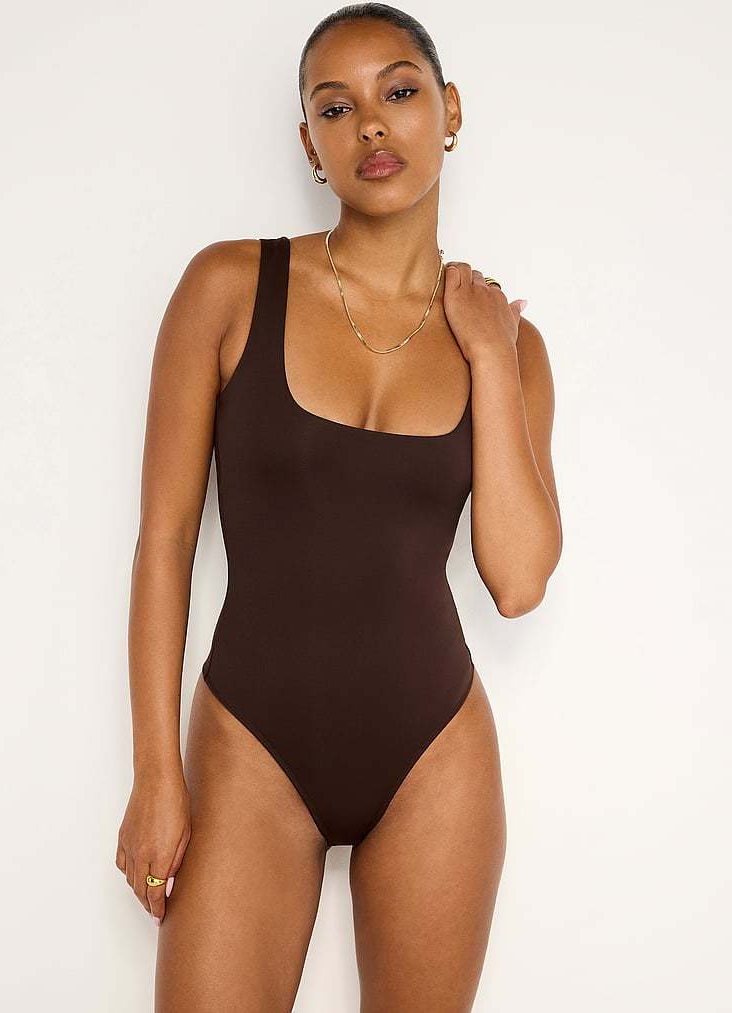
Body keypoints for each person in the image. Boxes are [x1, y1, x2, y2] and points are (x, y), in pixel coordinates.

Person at [116, 4, 562, 1009]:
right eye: (334, 106)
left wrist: (491, 355)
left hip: (435, 753)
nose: (370, 124)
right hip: (249, 743)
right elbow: (165, 540)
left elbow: (519, 578)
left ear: (449, 111)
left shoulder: (510, 347)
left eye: (399, 91)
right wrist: (155, 773)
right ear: (308, 143)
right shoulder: (229, 286)